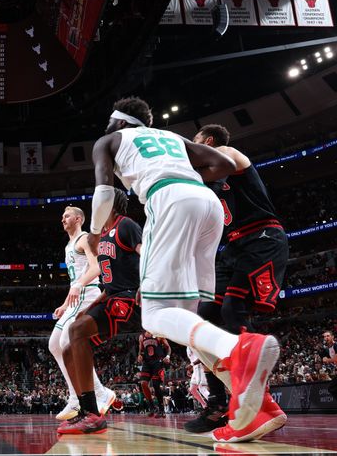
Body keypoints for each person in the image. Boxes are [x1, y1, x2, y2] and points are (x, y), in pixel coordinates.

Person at [87, 96, 279, 440]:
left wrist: (96, 231)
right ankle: (258, 406)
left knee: (155, 316)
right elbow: (222, 163)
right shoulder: (173, 137)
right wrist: (190, 181)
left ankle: (242, 349)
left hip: (169, 200)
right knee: (194, 322)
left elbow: (103, 196)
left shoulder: (109, 140)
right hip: (208, 207)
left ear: (119, 122)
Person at [185, 124, 288, 441]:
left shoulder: (231, 157)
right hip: (231, 249)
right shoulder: (207, 187)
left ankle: (255, 395)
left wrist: (172, 149)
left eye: (197, 143)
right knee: (203, 319)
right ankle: (222, 402)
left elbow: (223, 158)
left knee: (232, 309)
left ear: (209, 142)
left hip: (261, 237)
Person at [59, 189, 141, 434]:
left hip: (130, 297)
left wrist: (147, 284)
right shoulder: (103, 235)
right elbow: (109, 281)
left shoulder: (125, 225)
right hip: (112, 296)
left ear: (109, 203)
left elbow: (147, 253)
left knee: (76, 330)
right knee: (67, 349)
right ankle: (86, 410)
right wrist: (92, 306)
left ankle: (92, 414)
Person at [50, 206, 116, 424]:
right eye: (62, 216)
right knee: (54, 345)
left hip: (88, 294)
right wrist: (63, 304)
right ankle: (81, 394)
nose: (62, 219)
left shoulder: (85, 238)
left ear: (78, 219)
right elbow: (75, 279)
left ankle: (90, 395)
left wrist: (78, 285)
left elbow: (97, 267)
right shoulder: (69, 244)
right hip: (76, 297)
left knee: (65, 341)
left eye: (66, 215)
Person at [137, 331, 171, 418]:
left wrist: (167, 356)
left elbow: (168, 347)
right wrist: (140, 355)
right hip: (147, 362)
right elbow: (140, 350)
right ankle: (152, 407)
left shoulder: (159, 334)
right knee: (143, 383)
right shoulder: (142, 336)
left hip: (158, 361)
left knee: (156, 385)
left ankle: (161, 409)